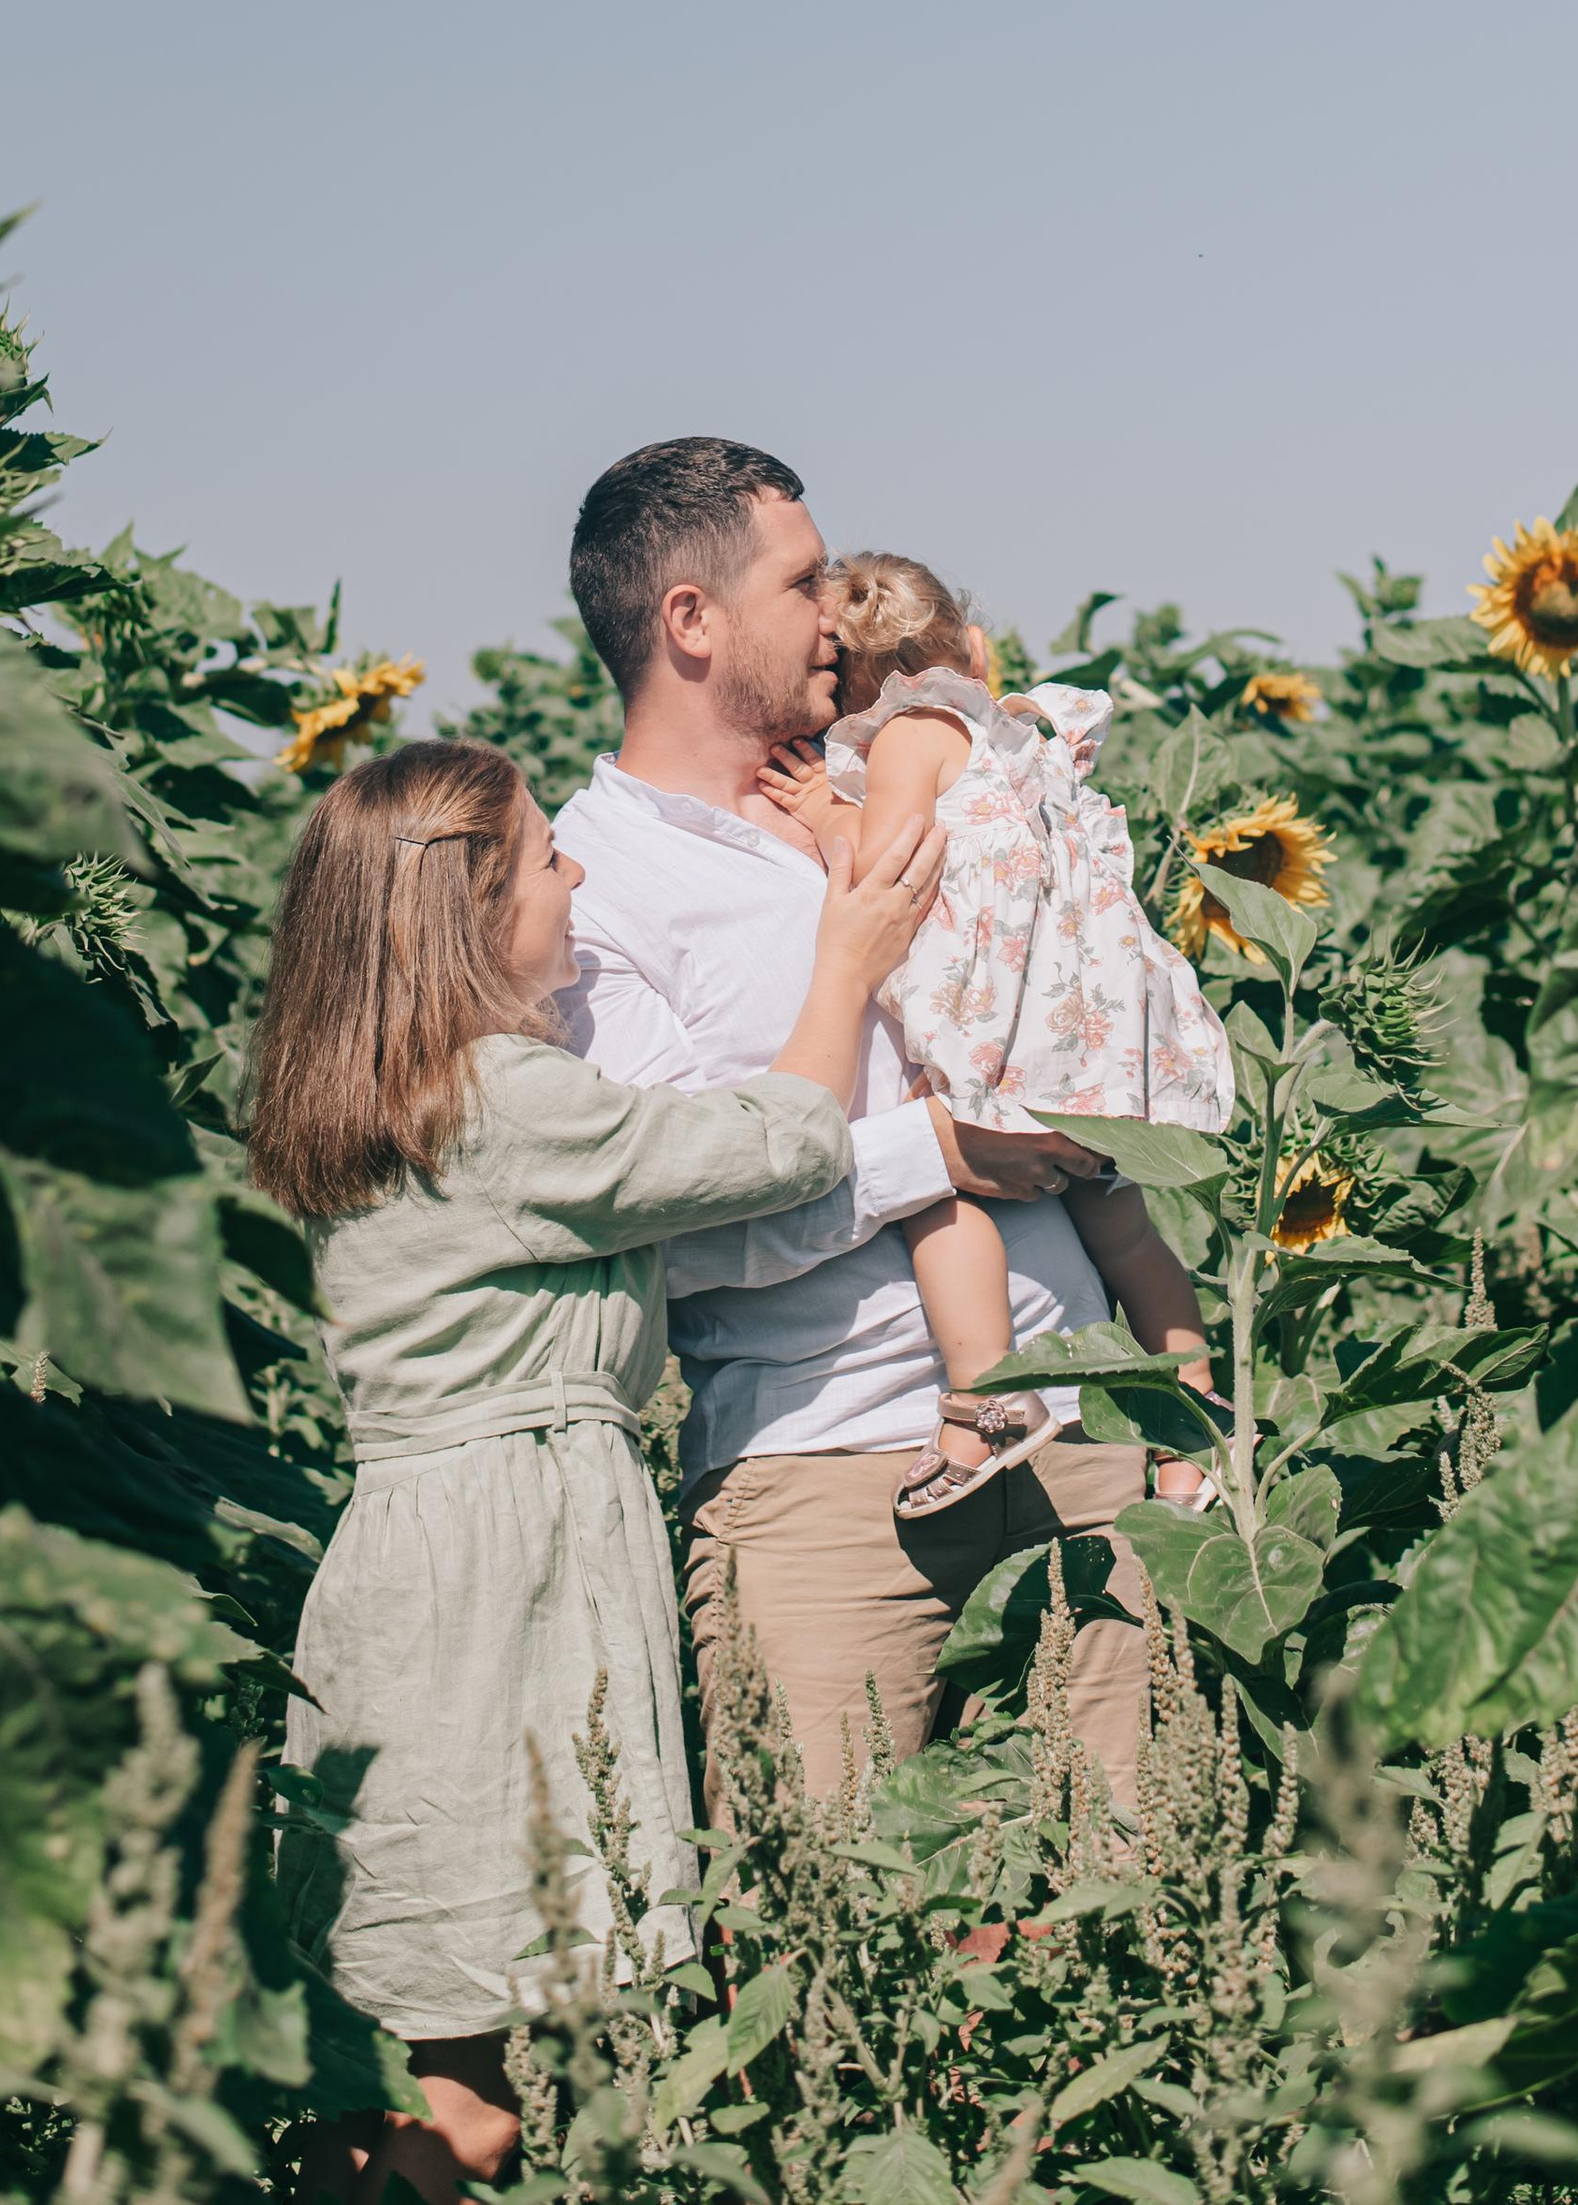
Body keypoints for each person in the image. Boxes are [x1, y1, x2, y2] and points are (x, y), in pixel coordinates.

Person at [250, 734, 944, 2200]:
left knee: (410, 2049)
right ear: (478, 913)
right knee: (463, 2091)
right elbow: (771, 1145)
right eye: (548, 861)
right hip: (504, 1583)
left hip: (435, 1565)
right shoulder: (503, 1099)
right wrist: (846, 962)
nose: (576, 879)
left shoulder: (400, 1095)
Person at [553, 437, 1157, 1806]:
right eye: (804, 580)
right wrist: (935, 1156)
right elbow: (673, 1233)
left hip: (1081, 1427)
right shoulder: (597, 892)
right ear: (690, 621)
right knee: (831, 1946)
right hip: (827, 1478)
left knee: (1144, 1908)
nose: (838, 610)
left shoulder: (896, 773)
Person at [755, 552, 1230, 1521]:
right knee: (1127, 1233)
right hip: (1093, 1027)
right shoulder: (1024, 733)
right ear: (973, 647)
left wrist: (821, 819)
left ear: (853, 692)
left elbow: (894, 870)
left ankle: (984, 1402)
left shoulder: (904, 740)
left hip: (1006, 1023)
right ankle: (1196, 1436)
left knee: (939, 1187)